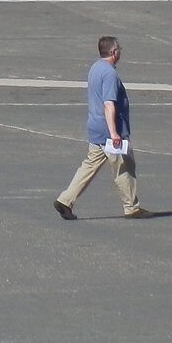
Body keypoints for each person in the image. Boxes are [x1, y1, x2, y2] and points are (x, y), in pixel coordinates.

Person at [54, 35, 149, 220]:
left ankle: (65, 200)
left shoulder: (95, 68)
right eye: (119, 49)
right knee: (124, 167)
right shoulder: (109, 74)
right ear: (114, 52)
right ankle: (131, 207)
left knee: (89, 166)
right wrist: (114, 133)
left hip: (95, 128)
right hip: (109, 132)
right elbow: (109, 104)